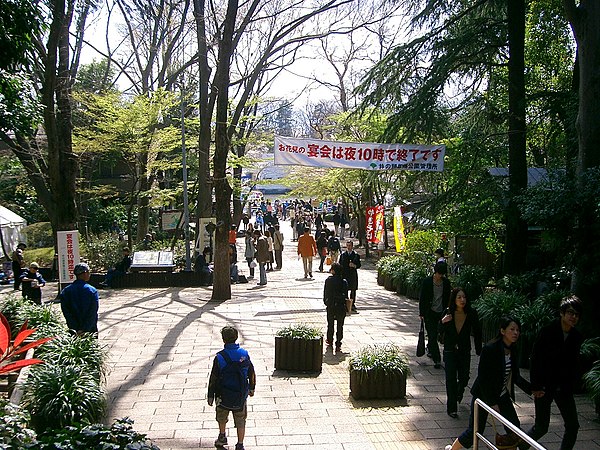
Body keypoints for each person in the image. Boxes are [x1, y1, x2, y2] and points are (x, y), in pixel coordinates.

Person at [445, 317, 532, 450]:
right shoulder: (490, 349)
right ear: (502, 331)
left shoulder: (514, 349)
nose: (515, 333)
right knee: (474, 430)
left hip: (502, 395)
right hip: (483, 396)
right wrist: (492, 402)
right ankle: (452, 449)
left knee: (514, 428)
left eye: (518, 330)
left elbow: (515, 377)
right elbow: (483, 379)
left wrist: (533, 390)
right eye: (512, 329)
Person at [524, 295, 584, 450]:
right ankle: (521, 446)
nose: (573, 317)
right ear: (562, 313)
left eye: (577, 314)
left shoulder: (576, 337)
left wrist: (572, 384)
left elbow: (574, 363)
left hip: (564, 387)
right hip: (544, 386)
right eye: (570, 313)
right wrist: (536, 386)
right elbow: (535, 359)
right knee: (541, 427)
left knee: (573, 425)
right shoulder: (548, 331)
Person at [208, 326, 256, 450]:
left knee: (222, 417)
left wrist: (210, 395)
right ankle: (240, 444)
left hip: (222, 395)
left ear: (223, 340)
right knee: (240, 419)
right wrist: (252, 387)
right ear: (236, 338)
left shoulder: (220, 357)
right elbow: (251, 372)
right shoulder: (244, 354)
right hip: (240, 394)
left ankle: (222, 436)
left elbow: (213, 378)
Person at [440, 287, 482, 418]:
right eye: (459, 297)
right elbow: (438, 332)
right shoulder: (448, 312)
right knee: (450, 379)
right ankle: (452, 408)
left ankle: (459, 391)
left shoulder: (471, 313)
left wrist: (479, 349)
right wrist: (443, 322)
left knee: (464, 377)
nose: (462, 300)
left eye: (464, 297)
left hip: (464, 350)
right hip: (450, 350)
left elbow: (477, 331)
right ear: (454, 299)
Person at [419, 261, 451, 368]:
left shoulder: (446, 283)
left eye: (442, 274)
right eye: (439, 274)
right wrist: (421, 313)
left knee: (442, 336)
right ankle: (437, 359)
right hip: (430, 312)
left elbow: (448, 298)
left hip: (441, 313)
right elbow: (422, 298)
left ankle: (434, 351)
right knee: (432, 336)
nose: (440, 276)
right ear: (435, 272)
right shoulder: (427, 282)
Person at [59, 263, 99, 335]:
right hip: (90, 329)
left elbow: (66, 312)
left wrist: (75, 328)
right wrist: (85, 329)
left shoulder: (66, 291)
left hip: (73, 329)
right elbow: (93, 312)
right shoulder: (92, 290)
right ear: (85, 273)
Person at [323, 262, 349, 352]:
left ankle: (329, 340)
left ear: (333, 270)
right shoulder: (344, 281)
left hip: (331, 305)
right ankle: (338, 343)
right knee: (340, 325)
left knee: (330, 324)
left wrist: (326, 302)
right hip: (341, 306)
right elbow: (346, 295)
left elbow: (325, 293)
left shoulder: (329, 280)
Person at [339, 240, 361, 312]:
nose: (348, 247)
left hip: (352, 275)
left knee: (353, 290)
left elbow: (359, 265)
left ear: (352, 246)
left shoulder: (356, 255)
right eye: (347, 246)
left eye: (350, 246)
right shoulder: (343, 255)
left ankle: (352, 304)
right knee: (345, 290)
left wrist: (354, 266)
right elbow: (340, 264)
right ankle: (346, 304)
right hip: (345, 274)